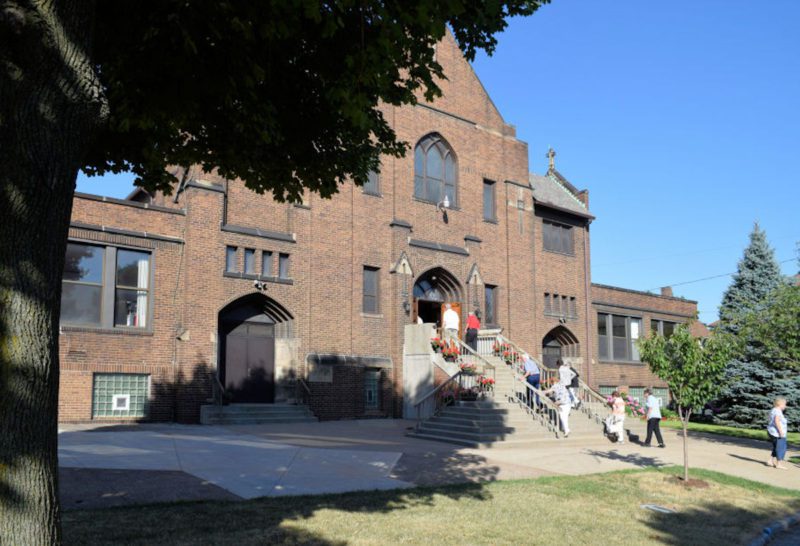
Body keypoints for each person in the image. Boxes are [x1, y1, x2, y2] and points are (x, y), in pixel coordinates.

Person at [767, 397, 789, 470]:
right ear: (780, 404)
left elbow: (770, 419)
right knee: (781, 448)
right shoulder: (778, 411)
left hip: (772, 431)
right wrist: (780, 432)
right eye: (784, 404)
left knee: (776, 447)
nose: (785, 406)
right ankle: (779, 464)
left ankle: (770, 461)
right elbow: (777, 421)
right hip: (777, 433)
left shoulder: (773, 410)